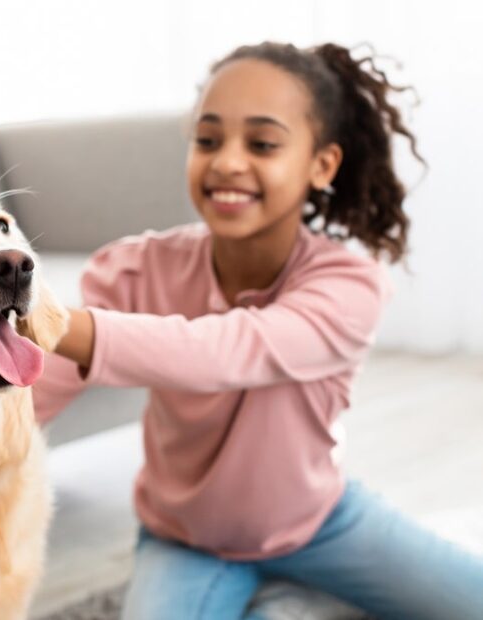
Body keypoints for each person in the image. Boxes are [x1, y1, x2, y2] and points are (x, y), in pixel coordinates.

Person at [33, 41, 483, 619]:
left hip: (322, 526)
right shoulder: (135, 269)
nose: (226, 162)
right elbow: (39, 385)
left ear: (322, 165)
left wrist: (50, 320)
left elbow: (225, 351)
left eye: (263, 144)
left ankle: (290, 598)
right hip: (186, 542)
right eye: (208, 140)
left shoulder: (348, 285)